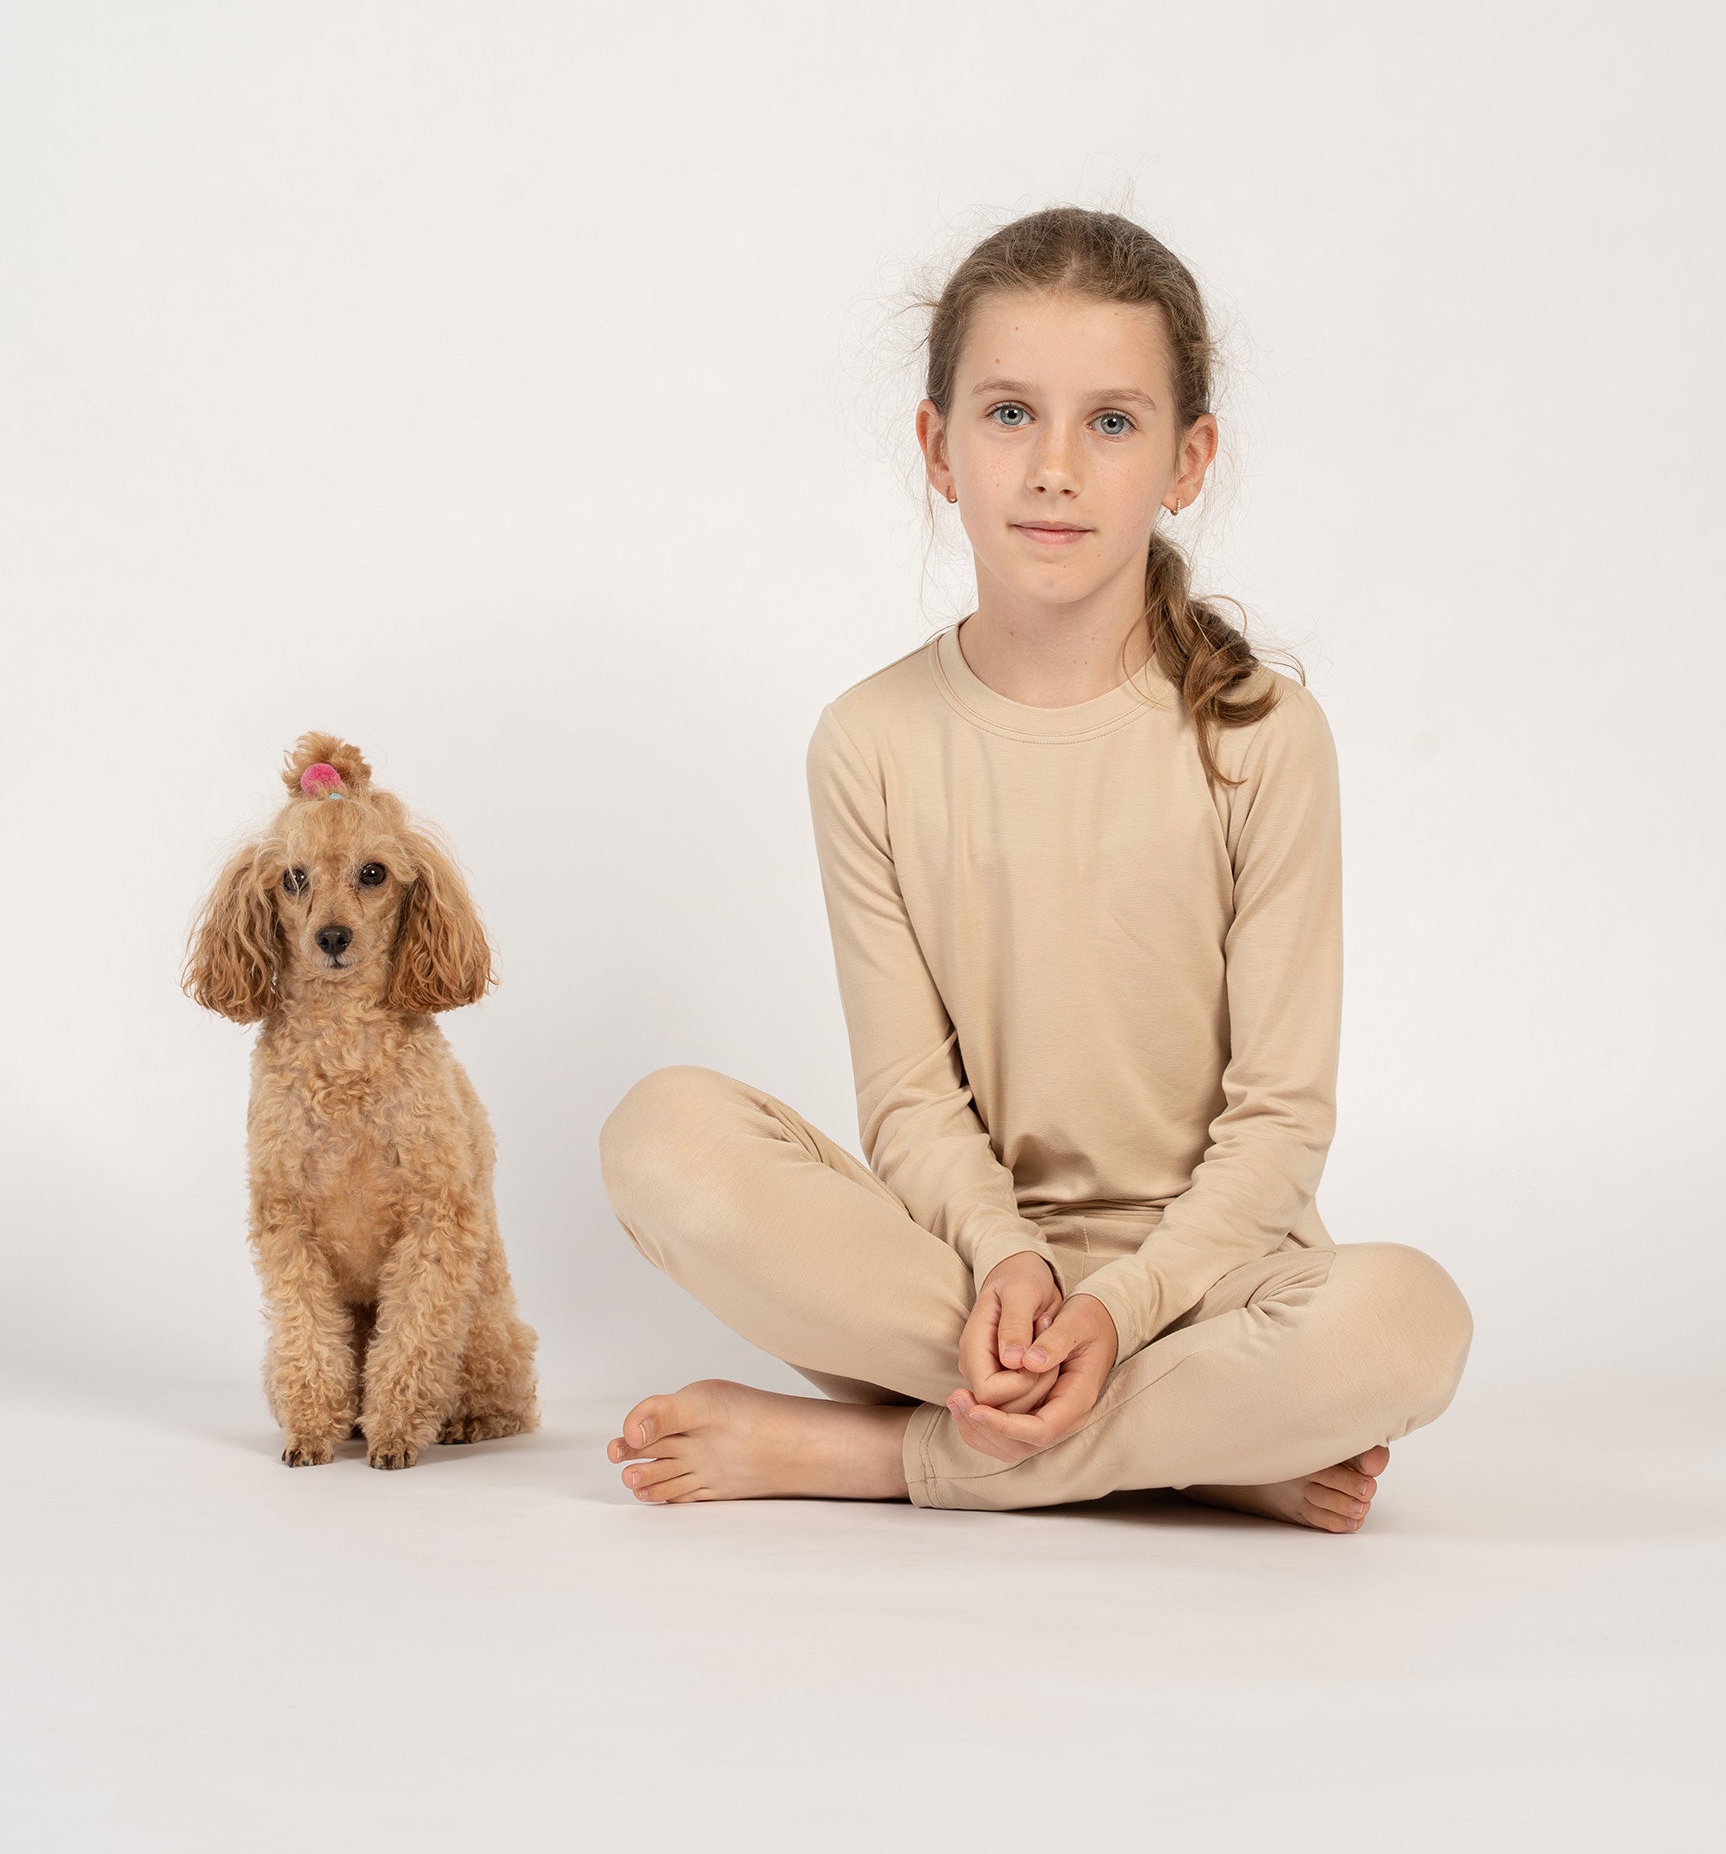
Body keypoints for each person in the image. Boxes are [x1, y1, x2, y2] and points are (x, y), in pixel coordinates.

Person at [598, 205, 1473, 1527]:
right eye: (1010, 414)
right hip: (961, 1285)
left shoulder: (1264, 740)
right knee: (660, 1137)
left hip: (1211, 1287)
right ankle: (1202, 1450)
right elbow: (910, 1099)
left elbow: (1282, 1120)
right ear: (938, 447)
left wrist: (1124, 1306)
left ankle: (876, 1456)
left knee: (1410, 1322)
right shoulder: (870, 743)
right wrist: (1007, 1258)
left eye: (1111, 422)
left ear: (1187, 462)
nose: (1055, 468)